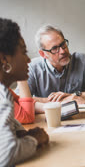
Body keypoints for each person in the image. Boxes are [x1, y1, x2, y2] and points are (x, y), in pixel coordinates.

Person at [18, 25, 85, 104]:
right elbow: (18, 100)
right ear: (43, 54)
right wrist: (61, 101)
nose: (62, 51)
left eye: (63, 44)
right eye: (55, 49)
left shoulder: (82, 60)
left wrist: (76, 95)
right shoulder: (32, 67)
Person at [0, 18, 49, 166]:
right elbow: (6, 154)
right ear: (4, 59)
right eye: (23, 51)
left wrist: (23, 134)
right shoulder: (2, 95)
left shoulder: (4, 92)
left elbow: (13, 128)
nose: (28, 60)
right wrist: (35, 139)